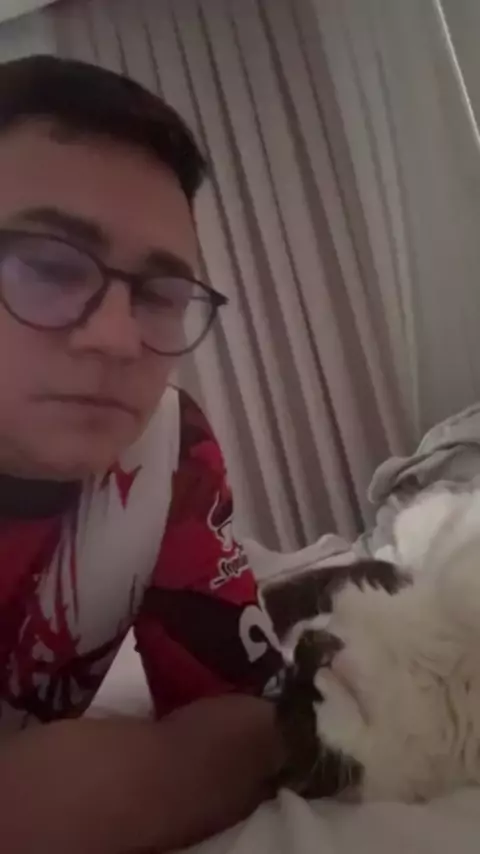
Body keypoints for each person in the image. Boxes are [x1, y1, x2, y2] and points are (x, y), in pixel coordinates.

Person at [0, 55, 285, 854]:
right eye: (47, 266)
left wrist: (128, 778)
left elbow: (250, 719)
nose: (119, 339)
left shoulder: (162, 449)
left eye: (161, 294)